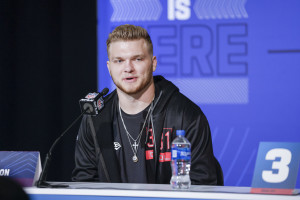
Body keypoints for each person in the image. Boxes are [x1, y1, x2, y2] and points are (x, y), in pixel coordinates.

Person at [72, 24, 222, 185]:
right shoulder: (95, 119)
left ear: (153, 63)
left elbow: (203, 186)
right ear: (109, 68)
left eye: (137, 59)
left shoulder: (185, 115)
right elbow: (84, 185)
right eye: (119, 61)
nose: (128, 68)